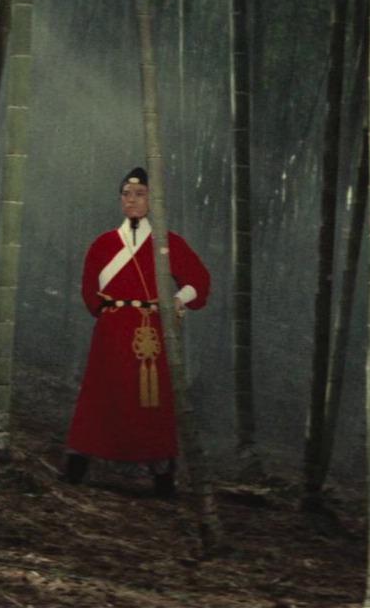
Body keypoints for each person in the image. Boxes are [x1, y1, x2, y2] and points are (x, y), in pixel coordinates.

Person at [62, 167, 211, 497]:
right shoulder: (103, 243)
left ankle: (162, 479)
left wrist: (177, 299)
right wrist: (110, 313)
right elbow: (90, 292)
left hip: (150, 332)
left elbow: (199, 281)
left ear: (152, 201)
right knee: (100, 395)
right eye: (126, 195)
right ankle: (76, 467)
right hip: (111, 330)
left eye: (139, 194)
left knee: (151, 401)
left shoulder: (167, 243)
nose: (131, 200)